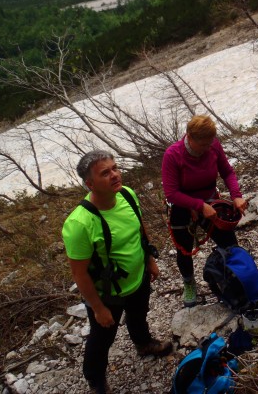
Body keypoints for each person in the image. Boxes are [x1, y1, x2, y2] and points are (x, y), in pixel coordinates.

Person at [62, 150, 172, 394]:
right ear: (90, 183)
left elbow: (139, 228)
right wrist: (99, 308)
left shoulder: (127, 195)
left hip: (137, 277)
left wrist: (149, 260)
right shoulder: (79, 224)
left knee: (138, 314)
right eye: (105, 173)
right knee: (102, 339)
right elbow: (80, 274)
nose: (114, 175)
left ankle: (143, 343)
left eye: (114, 168)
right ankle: (96, 381)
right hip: (107, 293)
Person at [161, 115, 248, 307]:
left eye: (210, 143)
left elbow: (227, 171)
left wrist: (236, 195)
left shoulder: (213, 145)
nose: (208, 148)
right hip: (182, 205)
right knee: (184, 249)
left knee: (229, 241)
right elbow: (172, 193)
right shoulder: (173, 155)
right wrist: (199, 206)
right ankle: (189, 282)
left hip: (210, 200)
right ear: (189, 137)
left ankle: (236, 274)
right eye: (203, 145)